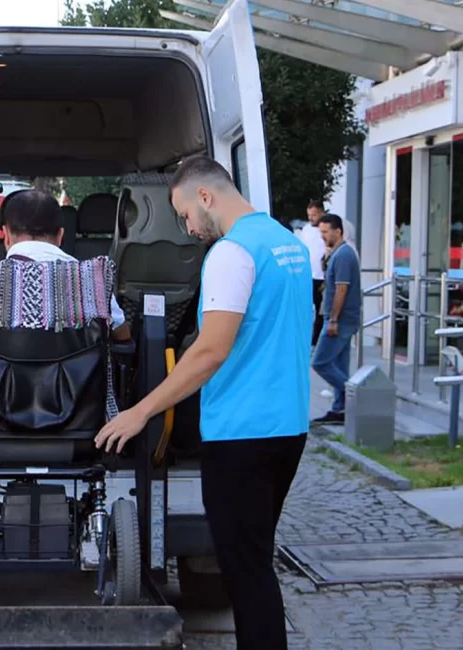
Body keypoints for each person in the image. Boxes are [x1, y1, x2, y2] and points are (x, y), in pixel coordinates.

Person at [94, 156, 312, 650]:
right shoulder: (287, 244)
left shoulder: (232, 254)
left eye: (186, 214)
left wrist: (141, 410)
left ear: (206, 197)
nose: (189, 228)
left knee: (246, 572)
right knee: (255, 562)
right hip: (288, 426)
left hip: (242, 432)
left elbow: (210, 350)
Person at [0, 189, 130, 352]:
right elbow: (122, 335)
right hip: (77, 400)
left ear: (6, 235)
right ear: (61, 235)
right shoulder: (90, 281)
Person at [311, 213, 362, 425]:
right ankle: (340, 409)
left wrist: (332, 320)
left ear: (338, 231)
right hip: (341, 319)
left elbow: (342, 288)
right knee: (340, 366)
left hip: (339, 320)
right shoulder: (338, 253)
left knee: (320, 362)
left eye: (325, 232)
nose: (322, 236)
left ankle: (358, 396)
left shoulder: (343, 255)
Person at [298, 199, 327, 346]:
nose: (311, 218)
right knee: (307, 308)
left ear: (322, 212)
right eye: (309, 215)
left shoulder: (328, 228)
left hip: (323, 277)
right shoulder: (306, 230)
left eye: (314, 214)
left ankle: (316, 341)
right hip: (308, 275)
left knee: (322, 308)